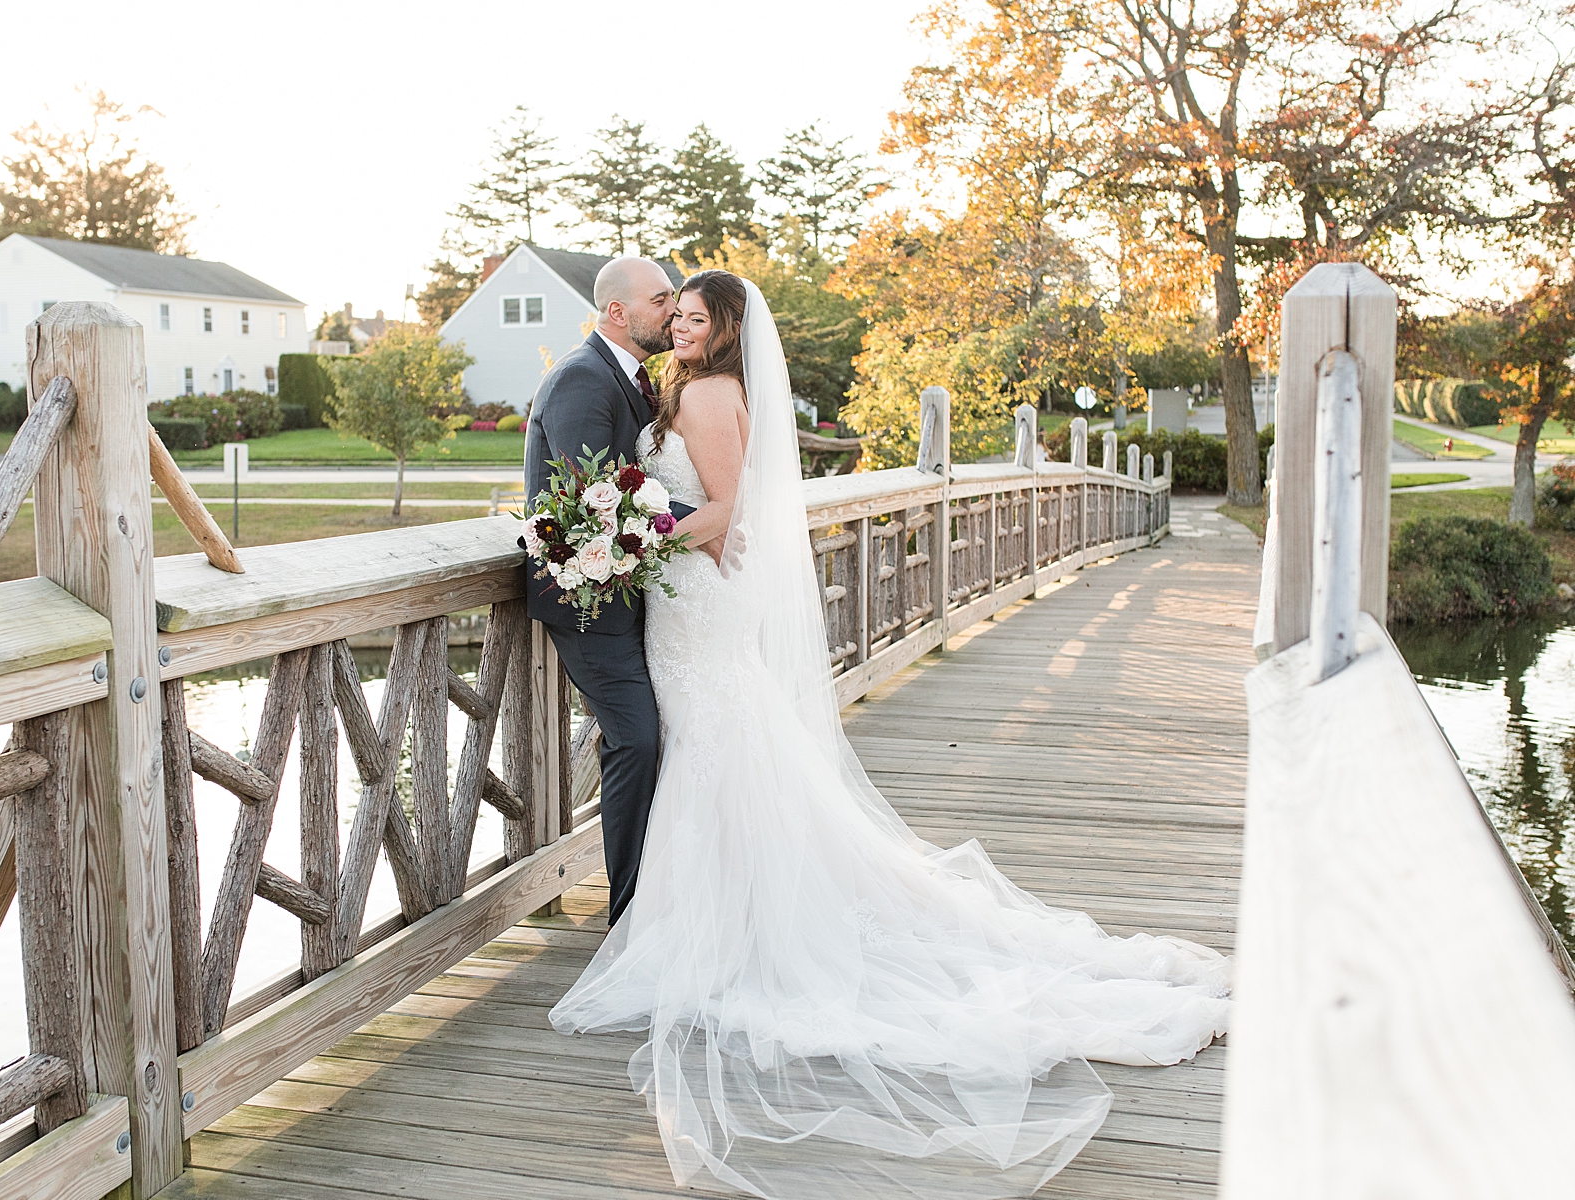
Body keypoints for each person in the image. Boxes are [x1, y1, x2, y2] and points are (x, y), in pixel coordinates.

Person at [549, 270, 1231, 1199]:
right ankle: (706, 911)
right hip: (687, 604)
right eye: (675, 313)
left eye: (695, 316)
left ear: (727, 330)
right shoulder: (690, 387)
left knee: (714, 750)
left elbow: (722, 512)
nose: (679, 325)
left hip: (693, 607)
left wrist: (627, 537)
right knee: (720, 753)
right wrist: (639, 527)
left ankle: (716, 925)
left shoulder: (709, 394)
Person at [522, 256, 685, 925]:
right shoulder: (582, 382)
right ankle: (630, 918)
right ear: (616, 311)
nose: (672, 312)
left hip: (634, 595)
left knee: (666, 734)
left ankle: (662, 898)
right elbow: (594, 505)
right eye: (660, 301)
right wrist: (701, 521)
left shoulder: (634, 380)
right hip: (588, 603)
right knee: (637, 740)